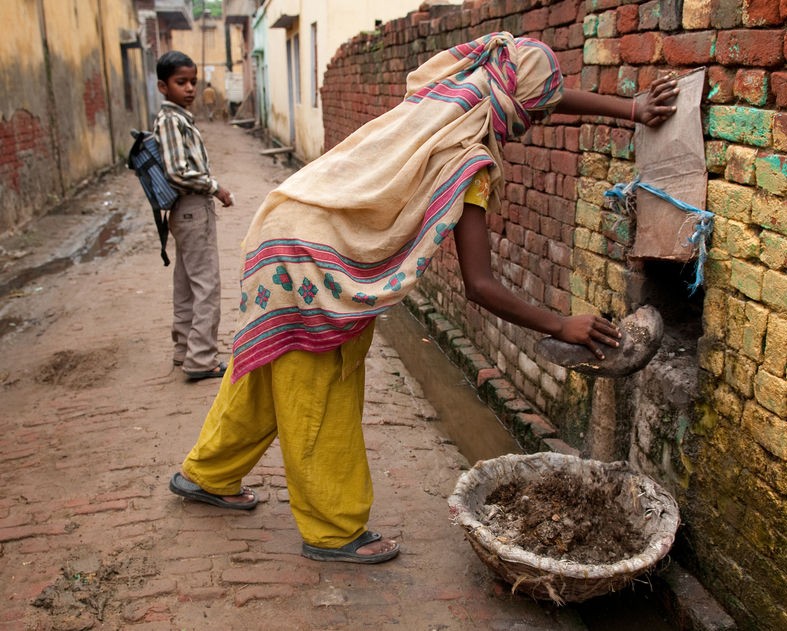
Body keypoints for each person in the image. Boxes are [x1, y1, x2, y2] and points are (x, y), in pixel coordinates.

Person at [168, 33, 678, 563]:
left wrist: (633, 109)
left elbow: (538, 91)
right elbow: (479, 285)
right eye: (537, 116)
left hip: (283, 228)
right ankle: (333, 530)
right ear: (514, 109)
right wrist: (559, 324)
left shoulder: (449, 95)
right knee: (321, 387)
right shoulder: (466, 156)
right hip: (314, 263)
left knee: (270, 363)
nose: (538, 124)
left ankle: (208, 474)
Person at [154, 51, 234, 380]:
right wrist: (215, 187)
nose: (189, 88)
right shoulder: (172, 120)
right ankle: (201, 358)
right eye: (180, 82)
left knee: (187, 283)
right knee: (207, 285)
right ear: (163, 86)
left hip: (183, 211)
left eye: (193, 82)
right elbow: (177, 172)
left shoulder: (178, 117)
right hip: (191, 208)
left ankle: (183, 348)